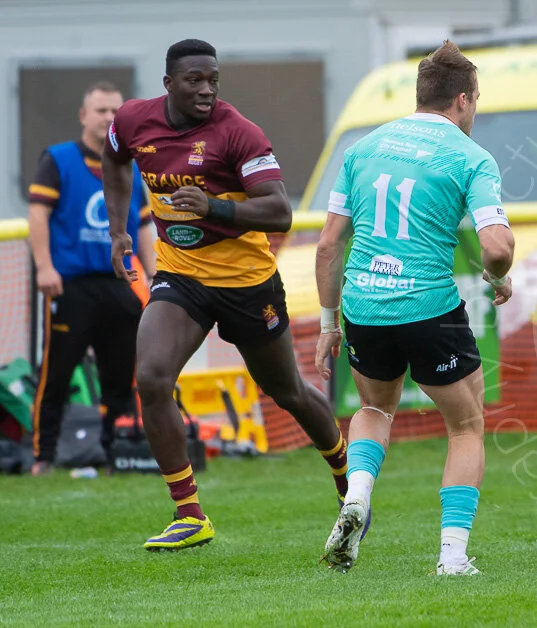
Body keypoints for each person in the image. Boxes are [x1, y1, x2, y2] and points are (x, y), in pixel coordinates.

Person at [102, 39, 349, 551]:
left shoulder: (238, 133)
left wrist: (213, 208)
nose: (207, 90)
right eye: (195, 80)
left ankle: (349, 485)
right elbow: (113, 156)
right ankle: (190, 514)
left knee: (288, 393)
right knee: (150, 377)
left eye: (213, 79)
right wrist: (118, 229)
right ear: (169, 83)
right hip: (181, 276)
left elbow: (279, 211)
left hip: (246, 284)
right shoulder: (132, 120)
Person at [313, 41, 514, 576]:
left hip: (363, 304)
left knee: (375, 409)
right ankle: (452, 556)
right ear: (464, 100)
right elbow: (495, 248)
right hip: (428, 307)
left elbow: (329, 244)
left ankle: (356, 495)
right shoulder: (471, 156)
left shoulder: (362, 147)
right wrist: (499, 276)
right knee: (465, 425)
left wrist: (328, 323)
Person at [26, 82, 154, 476]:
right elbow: (38, 215)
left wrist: (156, 277)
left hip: (120, 284)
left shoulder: (131, 166)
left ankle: (112, 452)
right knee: (58, 374)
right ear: (84, 116)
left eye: (116, 111)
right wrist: (45, 267)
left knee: (120, 374)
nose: (109, 118)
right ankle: (43, 456)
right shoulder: (59, 160)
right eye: (101, 111)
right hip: (72, 285)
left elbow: (145, 226)